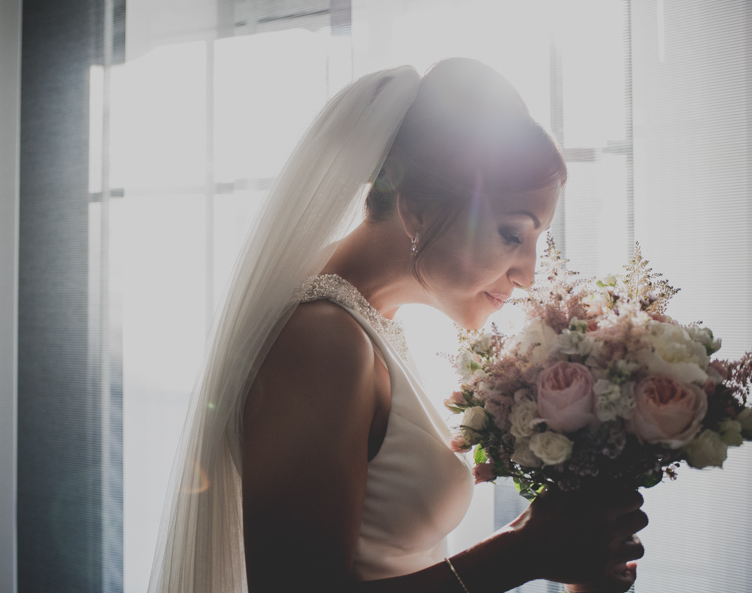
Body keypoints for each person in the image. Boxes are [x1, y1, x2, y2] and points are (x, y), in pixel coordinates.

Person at [149, 58, 647, 593]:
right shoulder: (322, 340)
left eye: (536, 242)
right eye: (510, 235)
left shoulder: (373, 329)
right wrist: (520, 553)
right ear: (418, 212)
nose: (527, 275)